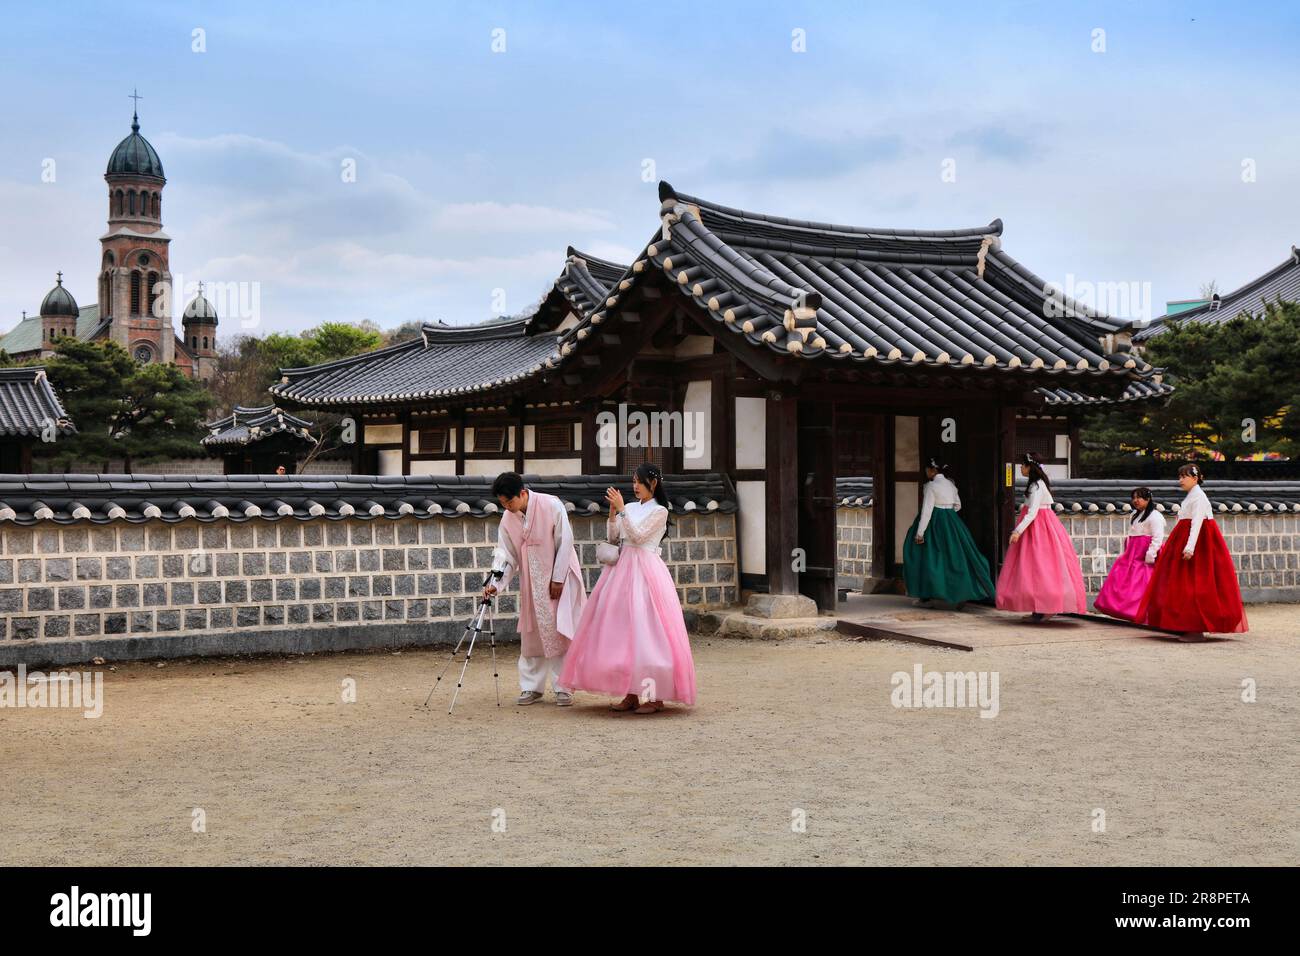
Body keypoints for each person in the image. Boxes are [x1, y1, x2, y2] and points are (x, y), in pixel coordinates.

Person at [560, 464, 696, 714]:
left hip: (647, 572)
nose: (635, 486)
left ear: (653, 484)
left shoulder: (660, 511)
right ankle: (631, 693)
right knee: (624, 631)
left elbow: (640, 536)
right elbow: (615, 538)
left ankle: (655, 696)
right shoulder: (631, 507)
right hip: (622, 570)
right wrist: (613, 514)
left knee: (649, 631)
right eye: (633, 481)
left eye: (639, 482)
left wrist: (622, 510)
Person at [486, 472, 587, 705]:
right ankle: (531, 687)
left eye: (509, 501)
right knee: (532, 634)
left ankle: (564, 686)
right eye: (502, 503)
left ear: (522, 493)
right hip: (531, 582)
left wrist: (559, 578)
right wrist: (495, 583)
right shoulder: (507, 519)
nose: (507, 507)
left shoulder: (551, 505)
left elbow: (565, 542)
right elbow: (505, 555)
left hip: (557, 577)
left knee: (559, 629)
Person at [1136, 464, 1247, 641]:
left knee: (1196, 585)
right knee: (1181, 584)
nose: (1180, 480)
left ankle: (1195, 628)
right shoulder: (1191, 496)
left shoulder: (1199, 497)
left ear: (1195, 478)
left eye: (1184, 477)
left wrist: (1189, 547)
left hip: (1199, 543)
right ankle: (1183, 623)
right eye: (1179, 477)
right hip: (1184, 537)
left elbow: (1197, 524)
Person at [995, 452, 1086, 622]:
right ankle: (1039, 608)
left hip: (1038, 527)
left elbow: (1032, 513)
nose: (1020, 468)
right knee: (1039, 567)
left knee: (1039, 566)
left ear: (1030, 467)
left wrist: (1017, 531)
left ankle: (1043, 608)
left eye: (1022, 465)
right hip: (1040, 526)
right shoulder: (1037, 484)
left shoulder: (1036, 486)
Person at [903, 459, 994, 607]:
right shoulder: (951, 484)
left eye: (927, 470)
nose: (926, 472)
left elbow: (927, 511)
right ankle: (961, 594)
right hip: (952, 522)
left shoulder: (931, 486)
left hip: (935, 523)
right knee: (956, 559)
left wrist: (920, 533)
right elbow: (958, 505)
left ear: (933, 470)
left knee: (927, 558)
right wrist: (948, 512)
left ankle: (926, 597)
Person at [1093, 487, 1165, 622]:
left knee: (1143, 582)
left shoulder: (1155, 516)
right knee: (1122, 578)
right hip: (1133, 552)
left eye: (1139, 497)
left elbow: (1157, 537)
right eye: (1134, 498)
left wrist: (1151, 554)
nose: (1135, 500)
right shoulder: (1135, 514)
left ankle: (1142, 612)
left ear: (1148, 499)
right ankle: (1123, 609)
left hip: (1145, 552)